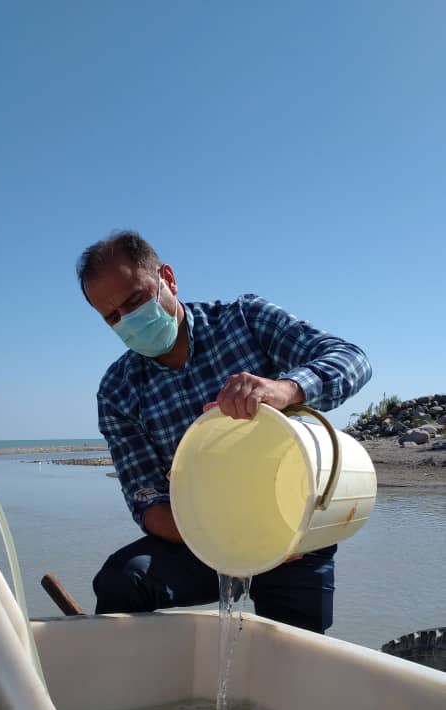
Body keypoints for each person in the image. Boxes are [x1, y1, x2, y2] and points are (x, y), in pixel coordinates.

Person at [77, 230, 372, 633]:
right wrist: (227, 539)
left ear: (167, 278)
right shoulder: (118, 391)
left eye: (134, 300)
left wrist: (284, 389)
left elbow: (351, 359)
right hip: (205, 540)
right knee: (122, 580)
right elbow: (147, 501)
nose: (128, 320)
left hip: (296, 533)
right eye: (112, 317)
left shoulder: (245, 320)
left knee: (299, 665)